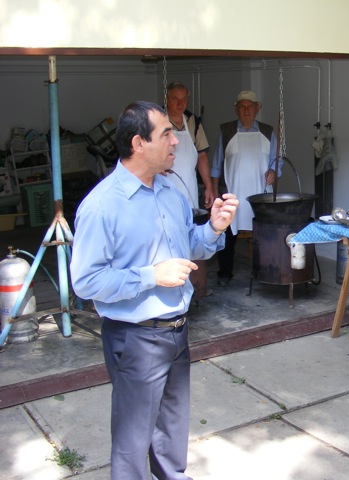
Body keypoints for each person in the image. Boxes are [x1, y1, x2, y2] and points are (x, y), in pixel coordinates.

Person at [70, 101, 238, 480]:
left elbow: (190, 245)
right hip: (135, 337)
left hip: (177, 331)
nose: (176, 141)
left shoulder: (171, 191)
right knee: (133, 440)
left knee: (172, 428)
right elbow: (87, 280)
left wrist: (214, 227)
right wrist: (151, 276)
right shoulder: (102, 206)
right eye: (166, 134)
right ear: (138, 143)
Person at [210, 90, 280, 286]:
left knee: (262, 235)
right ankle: (225, 273)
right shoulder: (226, 131)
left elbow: (276, 160)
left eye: (250, 107)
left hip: (260, 194)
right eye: (242, 107)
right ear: (236, 110)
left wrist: (274, 171)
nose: (246, 110)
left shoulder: (268, 132)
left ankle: (264, 271)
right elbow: (217, 164)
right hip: (232, 192)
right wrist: (214, 191)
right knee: (227, 235)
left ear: (257, 108)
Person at [165, 81, 214, 303]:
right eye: (175, 99)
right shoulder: (158, 121)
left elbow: (202, 156)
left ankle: (196, 287)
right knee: (168, 235)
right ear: (167, 99)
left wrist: (209, 187)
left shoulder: (193, 122)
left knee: (191, 234)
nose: (180, 103)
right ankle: (172, 288)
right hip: (164, 188)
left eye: (184, 99)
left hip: (190, 189)